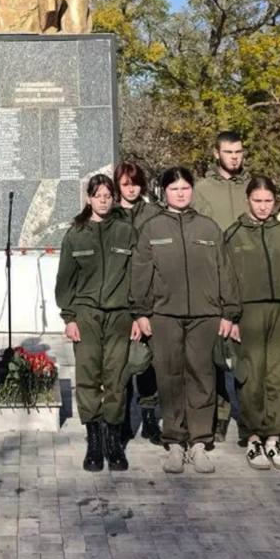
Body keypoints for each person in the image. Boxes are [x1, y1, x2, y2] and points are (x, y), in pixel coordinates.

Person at [131, 166, 239, 474]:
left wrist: (229, 312)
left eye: (185, 188)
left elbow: (225, 272)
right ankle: (175, 441)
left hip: (205, 315)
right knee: (169, 377)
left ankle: (199, 442)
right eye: (174, 189)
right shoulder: (152, 228)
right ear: (164, 192)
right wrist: (140, 312)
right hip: (164, 315)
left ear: (192, 191)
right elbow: (140, 273)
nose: (180, 193)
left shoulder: (209, 229)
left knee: (203, 378)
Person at [225, 176, 280, 471]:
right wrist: (231, 316)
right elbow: (225, 280)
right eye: (257, 201)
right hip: (248, 313)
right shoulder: (234, 234)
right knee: (250, 376)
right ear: (248, 199)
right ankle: (252, 438)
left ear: (276, 202)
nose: (263, 207)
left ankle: (275, 437)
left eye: (268, 201)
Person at [56, 174, 135, 472]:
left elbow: (136, 275)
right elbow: (65, 280)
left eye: (107, 194)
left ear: (113, 198)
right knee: (89, 377)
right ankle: (94, 440)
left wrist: (138, 314)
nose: (103, 199)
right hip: (86, 315)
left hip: (119, 316)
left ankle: (113, 440)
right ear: (88, 198)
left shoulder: (126, 231)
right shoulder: (76, 234)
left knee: (116, 378)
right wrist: (69, 317)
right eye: (97, 194)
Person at [191, 131, 248, 441]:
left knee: (245, 353)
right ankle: (220, 413)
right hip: (213, 282)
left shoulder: (251, 188)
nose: (234, 157)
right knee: (215, 353)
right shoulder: (202, 190)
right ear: (216, 154)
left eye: (239, 151)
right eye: (228, 152)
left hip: (247, 280)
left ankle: (250, 416)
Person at [115, 160, 161, 444]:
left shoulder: (153, 214)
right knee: (121, 362)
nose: (131, 188)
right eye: (125, 183)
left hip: (149, 296)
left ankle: (148, 417)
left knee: (148, 362)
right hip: (119, 296)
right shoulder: (111, 214)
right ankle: (121, 421)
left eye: (135, 183)